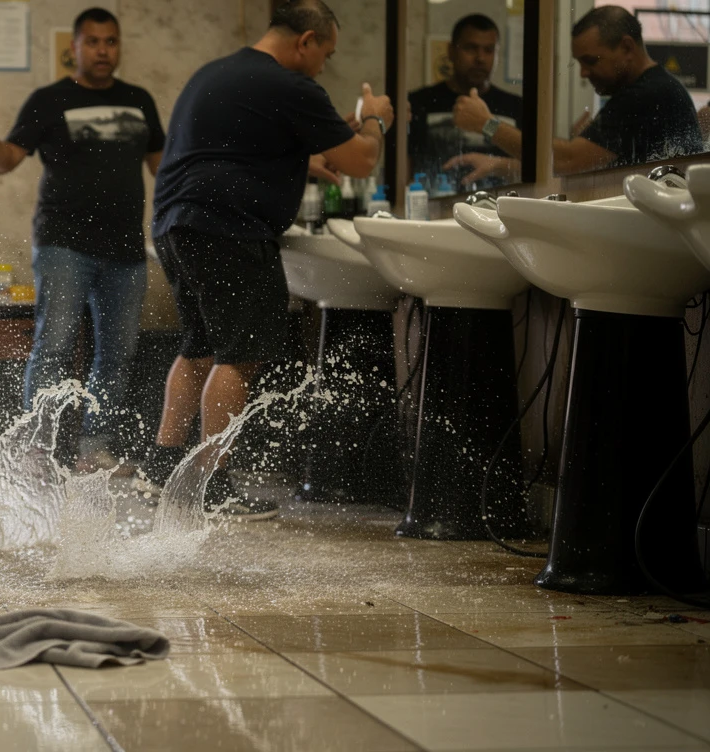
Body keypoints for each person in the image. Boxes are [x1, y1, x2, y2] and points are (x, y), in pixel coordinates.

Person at [139, 0, 394, 518]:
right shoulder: (289, 85)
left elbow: (235, 148)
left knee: (200, 348)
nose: (325, 66)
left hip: (175, 224)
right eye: (327, 53)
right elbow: (364, 159)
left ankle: (162, 467)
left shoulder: (217, 72)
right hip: (226, 228)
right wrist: (374, 121)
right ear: (305, 42)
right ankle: (211, 486)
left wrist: (307, 158)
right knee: (240, 355)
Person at [0, 7, 165, 470]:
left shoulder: (139, 100)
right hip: (63, 244)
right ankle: (38, 448)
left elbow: (160, 165)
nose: (102, 51)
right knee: (53, 346)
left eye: (110, 42)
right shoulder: (49, 100)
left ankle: (95, 449)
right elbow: (5, 160)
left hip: (126, 250)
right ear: (73, 48)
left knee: (117, 354)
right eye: (92, 42)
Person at [451, 5, 702, 178]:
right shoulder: (656, 88)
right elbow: (581, 160)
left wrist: (487, 124)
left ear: (626, 47)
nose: (583, 73)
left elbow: (568, 161)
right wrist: (497, 165)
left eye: (591, 61)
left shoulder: (644, 95)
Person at [407, 14, 522, 191]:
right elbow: (404, 169)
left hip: (501, 210)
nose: (480, 58)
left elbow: (537, 167)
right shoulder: (419, 102)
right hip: (433, 208)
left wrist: (497, 161)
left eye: (489, 50)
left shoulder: (516, 106)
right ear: (451, 51)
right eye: (470, 48)